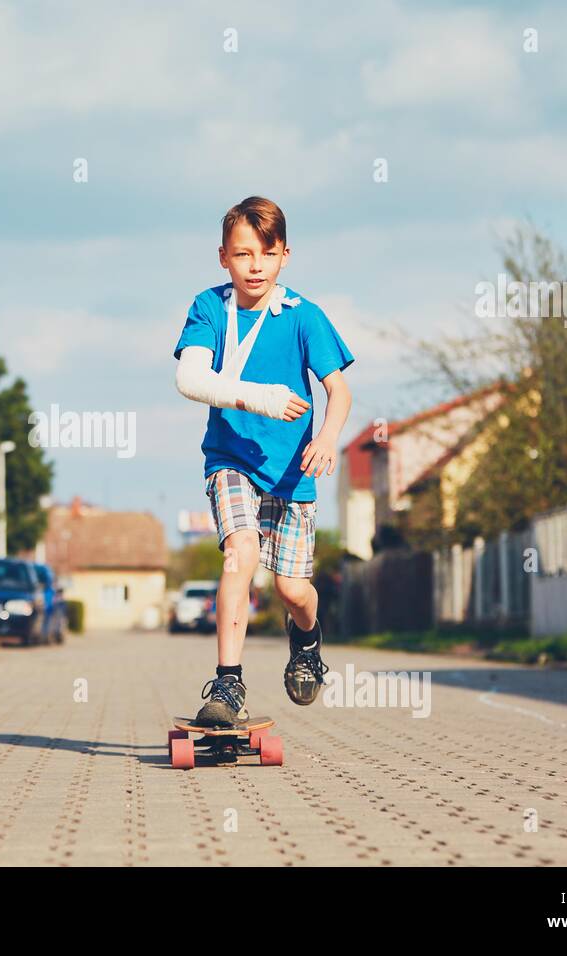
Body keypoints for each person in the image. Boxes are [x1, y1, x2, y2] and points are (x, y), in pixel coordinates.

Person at [172, 196, 354, 726]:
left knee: (291, 589)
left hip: (293, 471)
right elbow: (191, 379)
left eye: (267, 254)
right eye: (243, 254)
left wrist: (327, 437)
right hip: (229, 459)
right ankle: (228, 684)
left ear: (285, 256)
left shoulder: (304, 318)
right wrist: (263, 398)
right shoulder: (208, 308)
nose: (255, 266)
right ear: (223, 257)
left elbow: (338, 392)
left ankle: (307, 639)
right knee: (240, 555)